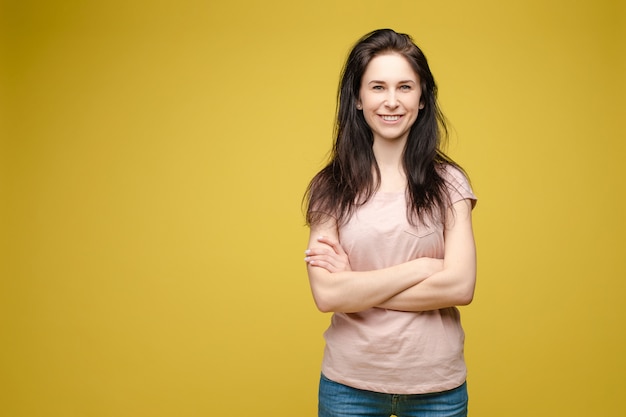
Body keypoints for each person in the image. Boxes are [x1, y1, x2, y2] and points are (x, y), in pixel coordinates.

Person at [303, 29, 477, 417]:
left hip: (438, 388)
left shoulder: (450, 183)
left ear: (422, 97)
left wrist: (357, 287)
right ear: (359, 99)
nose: (392, 101)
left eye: (405, 87)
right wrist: (423, 268)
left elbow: (461, 286)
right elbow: (328, 297)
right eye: (378, 87)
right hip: (349, 386)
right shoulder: (330, 187)